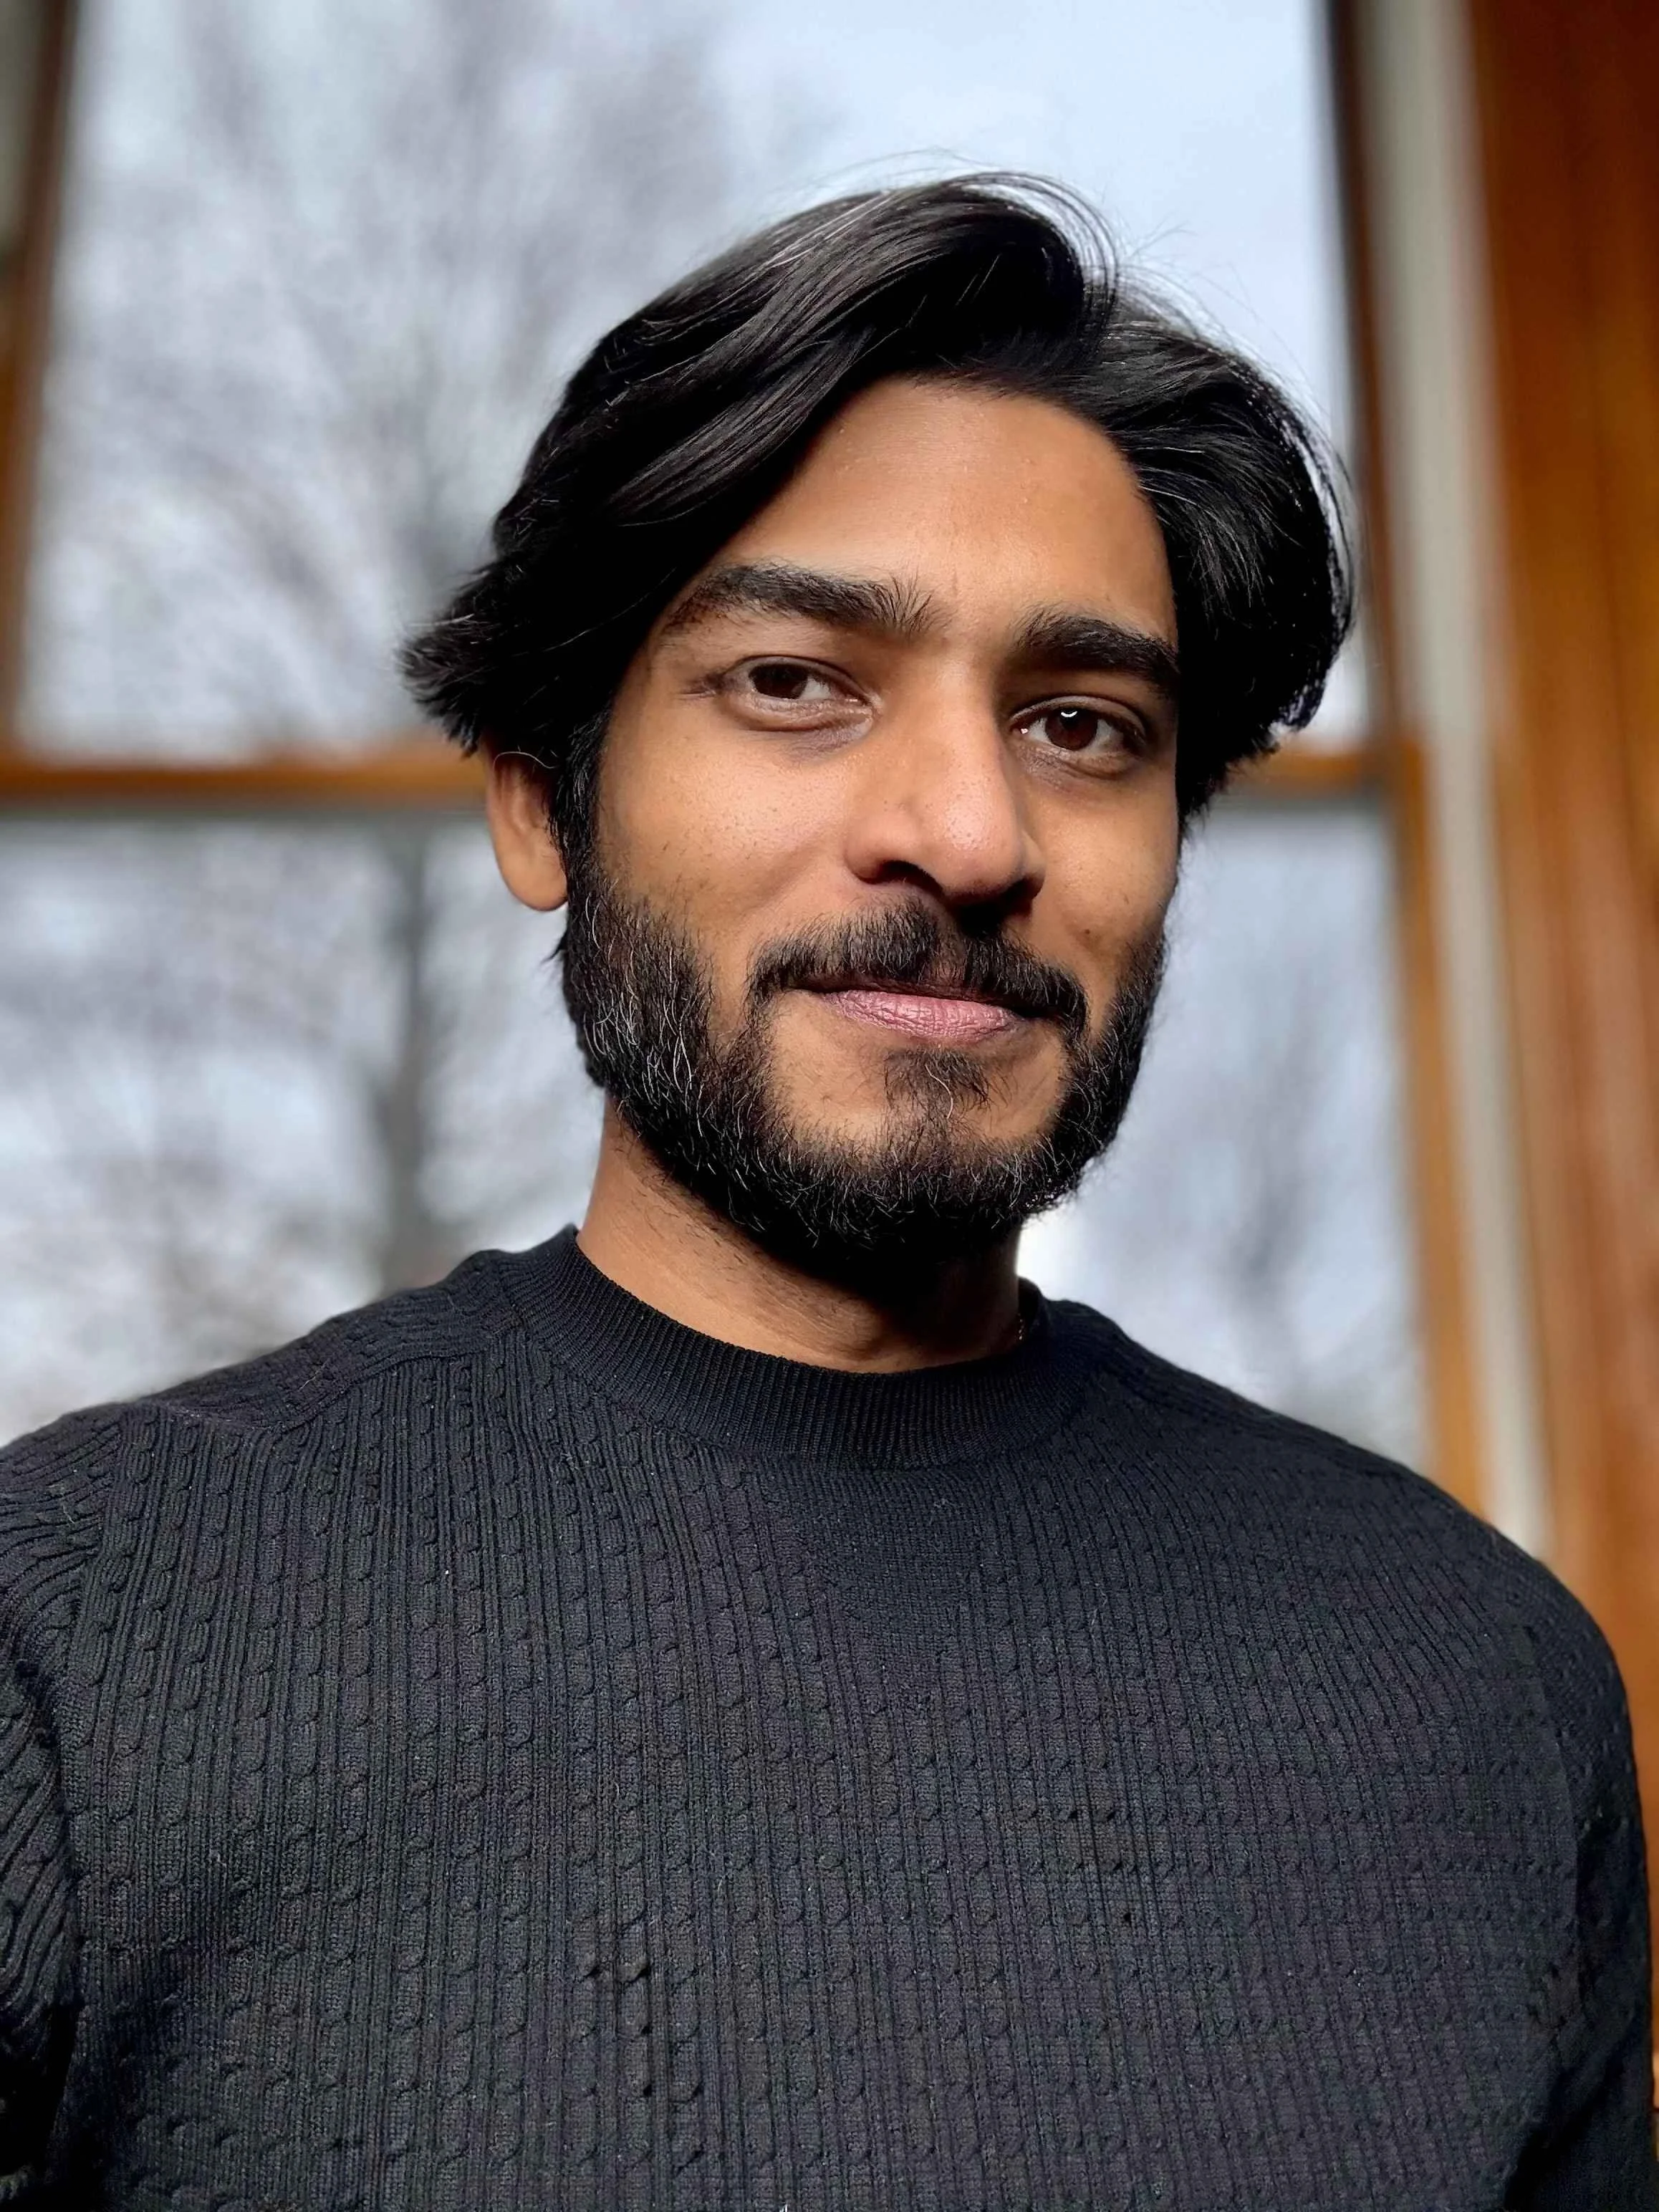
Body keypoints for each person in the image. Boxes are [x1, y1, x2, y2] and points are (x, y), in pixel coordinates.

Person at [0, 177, 1650, 2209]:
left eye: (1079, 725)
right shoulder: (74, 1629)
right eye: (796, 682)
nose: (965, 833)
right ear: (541, 790)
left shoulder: (1470, 1683)